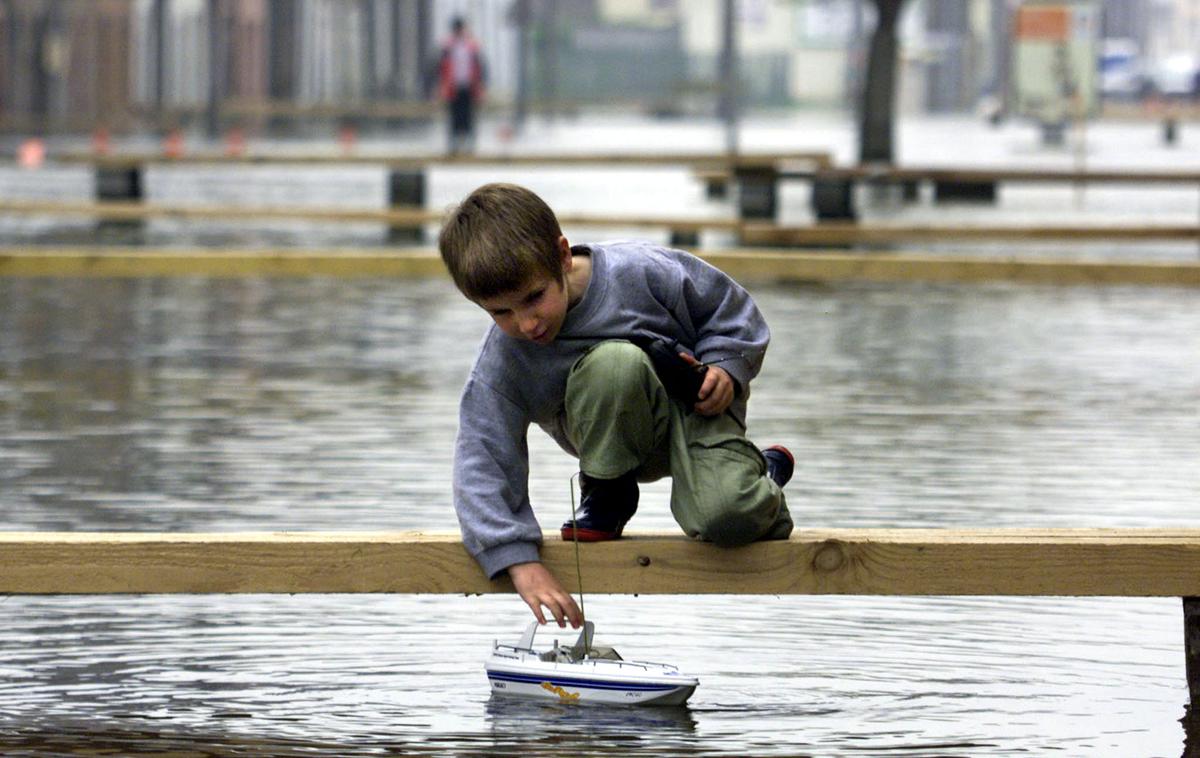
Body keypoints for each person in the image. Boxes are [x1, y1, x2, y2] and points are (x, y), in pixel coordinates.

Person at [439, 183, 795, 629]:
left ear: (563, 255)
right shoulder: (505, 360)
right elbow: (482, 453)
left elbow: (732, 310)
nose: (525, 324)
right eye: (500, 312)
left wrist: (726, 366)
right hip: (611, 443)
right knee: (613, 365)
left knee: (726, 520)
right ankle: (607, 497)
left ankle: (760, 473)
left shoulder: (643, 272)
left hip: (696, 410)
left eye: (533, 298)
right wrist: (515, 558)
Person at [437, 16, 486, 155]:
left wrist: (481, 86)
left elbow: (480, 67)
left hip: (469, 86)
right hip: (452, 87)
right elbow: (439, 67)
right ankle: (453, 144)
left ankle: (470, 144)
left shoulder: (471, 46)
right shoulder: (447, 47)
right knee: (454, 116)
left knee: (468, 115)